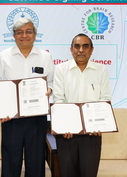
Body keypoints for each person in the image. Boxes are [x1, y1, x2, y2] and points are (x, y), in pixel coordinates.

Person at [0, 17, 55, 177]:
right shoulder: (4, 56)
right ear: (14, 36)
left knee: (36, 162)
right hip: (10, 118)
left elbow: (53, 82)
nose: (24, 35)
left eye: (28, 31)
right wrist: (0, 111)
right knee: (10, 163)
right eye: (19, 32)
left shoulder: (45, 56)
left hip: (37, 118)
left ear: (35, 35)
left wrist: (49, 89)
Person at [53, 33, 111, 177]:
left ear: (91, 50)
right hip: (66, 134)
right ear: (71, 49)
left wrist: (99, 125)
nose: (81, 50)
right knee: (67, 173)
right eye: (77, 46)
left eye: (85, 46)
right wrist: (65, 126)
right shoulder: (61, 69)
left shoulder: (101, 70)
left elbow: (104, 99)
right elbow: (59, 99)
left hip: (92, 134)